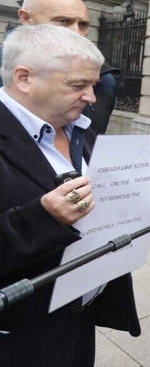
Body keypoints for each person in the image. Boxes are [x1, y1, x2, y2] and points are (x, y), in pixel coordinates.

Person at [0, 24, 139, 365]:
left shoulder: (79, 128)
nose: (92, 97)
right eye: (79, 85)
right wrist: (42, 219)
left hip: (79, 318)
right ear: (24, 78)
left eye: (93, 85)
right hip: (18, 336)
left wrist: (146, 191)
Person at [16, 0, 121, 135]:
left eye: (83, 25)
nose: (76, 33)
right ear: (26, 19)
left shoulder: (105, 81)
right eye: (63, 21)